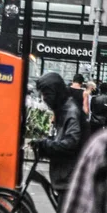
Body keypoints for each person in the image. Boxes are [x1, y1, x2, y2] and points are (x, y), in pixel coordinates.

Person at [31, 72, 88, 211]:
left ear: (55, 92)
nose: (44, 99)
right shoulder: (63, 109)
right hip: (67, 176)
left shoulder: (71, 111)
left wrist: (46, 145)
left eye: (46, 94)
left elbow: (71, 142)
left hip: (71, 178)